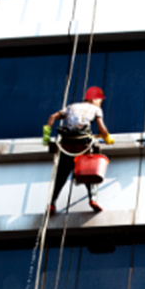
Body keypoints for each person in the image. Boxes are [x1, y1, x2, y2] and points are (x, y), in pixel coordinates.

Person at [43, 86, 113, 215]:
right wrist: (107, 138)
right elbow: (101, 128)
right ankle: (93, 199)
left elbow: (52, 117)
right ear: (93, 99)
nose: (100, 103)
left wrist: (46, 136)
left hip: (67, 144)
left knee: (61, 175)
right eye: (100, 101)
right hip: (83, 144)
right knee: (88, 172)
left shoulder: (71, 107)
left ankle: (51, 203)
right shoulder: (96, 109)